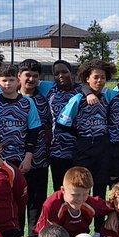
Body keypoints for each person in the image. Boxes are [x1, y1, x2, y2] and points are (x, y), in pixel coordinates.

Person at [57, 59, 115, 203]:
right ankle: (82, 221)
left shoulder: (107, 97)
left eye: (103, 77)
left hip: (103, 148)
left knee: (101, 188)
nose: (99, 80)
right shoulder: (78, 99)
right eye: (96, 77)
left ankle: (100, 224)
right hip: (84, 148)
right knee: (82, 187)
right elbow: (62, 124)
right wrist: (80, 135)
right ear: (87, 79)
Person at [0, 63, 42, 174]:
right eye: (4, 80)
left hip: (20, 158)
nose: (7, 84)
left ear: (18, 81)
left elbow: (33, 131)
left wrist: (28, 158)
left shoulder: (27, 103)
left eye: (11, 80)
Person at [18, 58, 53, 234]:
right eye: (27, 75)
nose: (31, 79)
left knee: (36, 201)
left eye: (35, 76)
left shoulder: (43, 98)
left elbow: (47, 125)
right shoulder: (9, 97)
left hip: (39, 158)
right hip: (15, 159)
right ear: (19, 76)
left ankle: (34, 236)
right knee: (16, 200)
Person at [46, 59, 79, 190]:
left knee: (78, 188)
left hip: (78, 150)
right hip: (57, 150)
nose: (61, 75)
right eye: (57, 73)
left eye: (64, 72)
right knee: (59, 189)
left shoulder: (82, 92)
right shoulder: (50, 91)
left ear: (72, 73)